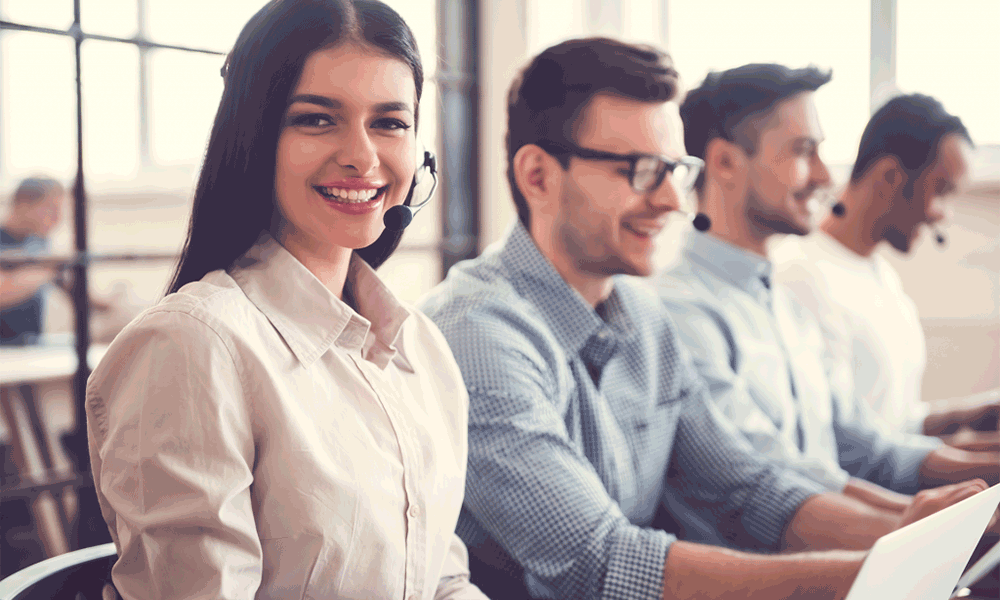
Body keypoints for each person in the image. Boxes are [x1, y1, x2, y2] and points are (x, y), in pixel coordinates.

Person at [418, 38, 992, 600]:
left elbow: (745, 486)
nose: (673, 200)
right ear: (538, 176)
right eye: (643, 170)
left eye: (675, 168)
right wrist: (868, 572)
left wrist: (905, 533)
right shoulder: (477, 335)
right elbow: (602, 561)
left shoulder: (641, 314)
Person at [85, 1, 486, 598]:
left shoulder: (420, 350)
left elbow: (442, 577)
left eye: (390, 122)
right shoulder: (192, 347)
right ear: (255, 135)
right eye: (317, 119)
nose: (363, 155)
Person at [654, 64, 999, 547]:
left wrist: (981, 482)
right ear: (726, 163)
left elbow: (867, 447)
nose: (823, 175)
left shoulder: (785, 306)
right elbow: (772, 478)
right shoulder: (680, 313)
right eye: (803, 151)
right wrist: (922, 521)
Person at [771, 93, 998, 437]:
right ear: (890, 176)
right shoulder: (800, 275)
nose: (943, 214)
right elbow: (846, 445)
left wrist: (975, 414)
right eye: (941, 190)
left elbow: (893, 422)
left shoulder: (881, 277)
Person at [0, 177, 65, 345]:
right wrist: (48, 268)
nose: (58, 219)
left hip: (30, 345)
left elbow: (68, 284)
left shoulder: (38, 242)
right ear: (23, 205)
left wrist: (110, 307)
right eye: (51, 209)